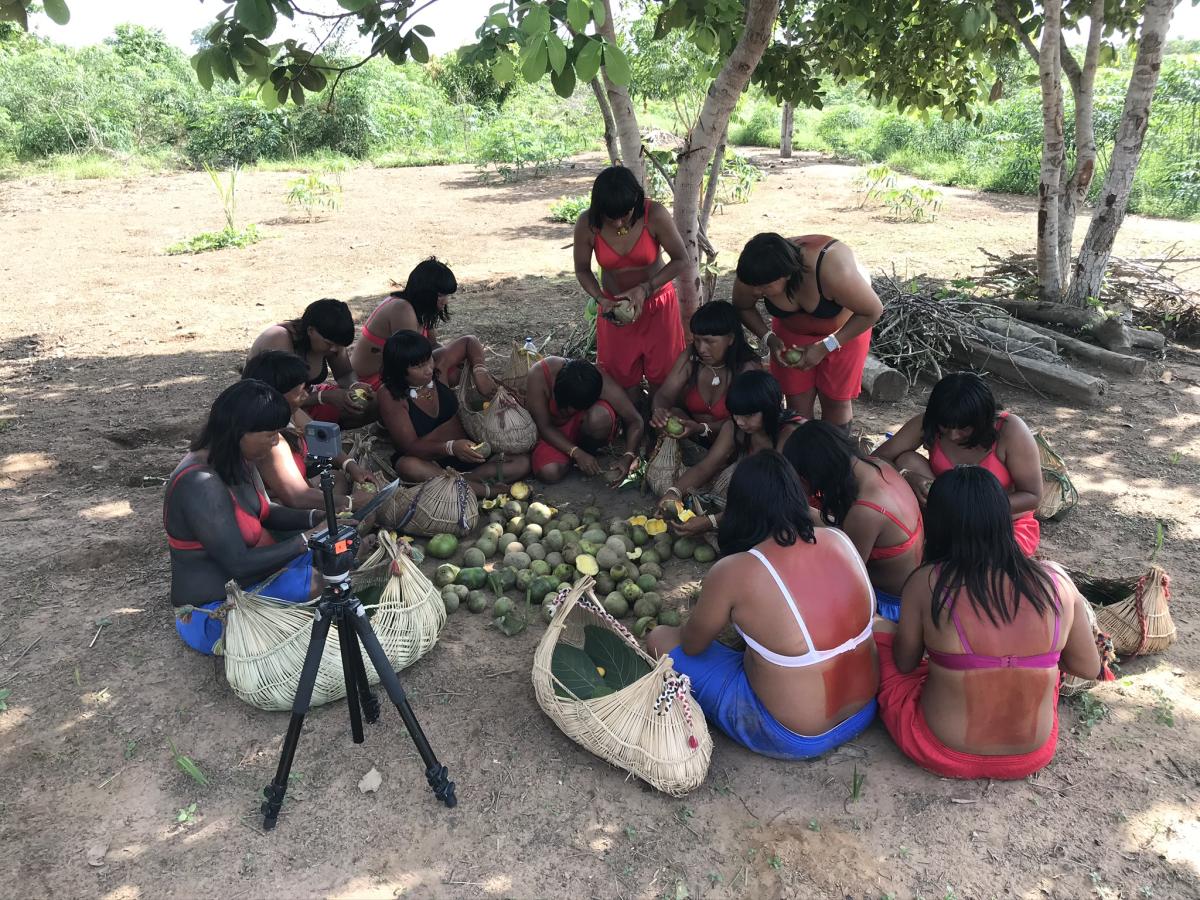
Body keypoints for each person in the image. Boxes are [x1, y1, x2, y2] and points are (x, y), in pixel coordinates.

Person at [874, 466, 1105, 780]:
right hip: (1031, 754)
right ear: (1003, 518)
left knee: (879, 636)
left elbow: (905, 663)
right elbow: (1089, 668)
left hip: (940, 749)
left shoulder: (927, 582)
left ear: (938, 523)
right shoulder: (1056, 582)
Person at [647, 452, 878, 760]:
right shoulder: (840, 539)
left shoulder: (736, 570)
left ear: (737, 508)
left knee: (660, 638)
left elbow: (692, 645)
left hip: (793, 735)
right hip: (864, 710)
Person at [163, 380, 326, 655]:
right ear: (239, 432)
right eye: (270, 433)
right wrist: (306, 540)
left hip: (252, 582)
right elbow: (238, 564)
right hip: (214, 612)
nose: (276, 441)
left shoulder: (240, 460)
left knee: (338, 552)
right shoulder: (200, 483)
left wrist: (317, 518)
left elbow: (265, 511)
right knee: (319, 583)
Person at [875, 372, 1042, 556]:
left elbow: (1032, 496)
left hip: (1000, 524)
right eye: (945, 426)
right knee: (906, 460)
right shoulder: (930, 422)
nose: (953, 435)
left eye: (964, 428)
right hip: (947, 519)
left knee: (978, 568)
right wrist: (906, 474)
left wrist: (968, 509)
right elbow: (878, 459)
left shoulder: (1010, 429)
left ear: (984, 420)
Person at [732, 232, 882, 427]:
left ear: (786, 274)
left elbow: (872, 311)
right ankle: (799, 452)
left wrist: (827, 345)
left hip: (845, 333)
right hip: (790, 334)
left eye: (764, 288)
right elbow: (743, 306)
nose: (756, 292)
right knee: (796, 401)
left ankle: (834, 452)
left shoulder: (831, 267)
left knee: (836, 401)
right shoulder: (755, 273)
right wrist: (769, 338)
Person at [783, 421, 923, 623]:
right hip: (905, 589)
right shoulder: (877, 465)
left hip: (887, 606)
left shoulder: (866, 511)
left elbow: (844, 576)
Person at [573, 165, 689, 402]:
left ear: (636, 201)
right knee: (621, 378)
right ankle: (633, 425)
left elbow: (681, 260)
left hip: (657, 305)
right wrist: (601, 298)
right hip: (615, 309)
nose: (618, 223)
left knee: (663, 378)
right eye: (610, 217)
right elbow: (582, 269)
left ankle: (658, 426)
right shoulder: (587, 224)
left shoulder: (654, 215)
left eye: (624, 215)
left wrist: (646, 288)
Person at [378, 330, 528, 497]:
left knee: (522, 463)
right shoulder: (390, 395)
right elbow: (409, 446)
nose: (428, 369)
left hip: (471, 455)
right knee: (408, 466)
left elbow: (469, 341)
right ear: (399, 370)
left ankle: (463, 482)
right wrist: (450, 448)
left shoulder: (438, 371)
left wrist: (480, 371)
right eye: (418, 366)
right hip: (431, 462)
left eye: (428, 360)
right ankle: (487, 491)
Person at [660, 370, 802, 536]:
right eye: (736, 414)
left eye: (749, 415)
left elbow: (773, 497)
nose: (741, 421)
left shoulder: (789, 436)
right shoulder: (735, 428)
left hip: (784, 504)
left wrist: (711, 522)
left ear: (770, 408)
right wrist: (673, 492)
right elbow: (705, 467)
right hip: (752, 501)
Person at [241, 350, 381, 514]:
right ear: (276, 394)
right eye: (300, 391)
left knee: (337, 477)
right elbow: (296, 496)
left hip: (300, 487)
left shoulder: (291, 413)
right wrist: (351, 502)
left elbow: (321, 437)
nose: (306, 396)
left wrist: (351, 466)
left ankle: (332, 514)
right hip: (279, 504)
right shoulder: (271, 440)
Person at [650, 300, 760, 443]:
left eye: (709, 341)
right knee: (672, 415)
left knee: (734, 432)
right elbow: (664, 394)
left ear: (731, 339)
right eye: (697, 340)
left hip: (731, 442)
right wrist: (659, 411)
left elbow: (745, 422)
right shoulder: (691, 356)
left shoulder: (748, 369)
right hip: (694, 435)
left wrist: (701, 428)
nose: (701, 348)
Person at [525, 356, 644, 484]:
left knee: (600, 417)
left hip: (582, 425)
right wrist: (576, 453)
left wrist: (628, 456)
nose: (565, 412)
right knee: (549, 472)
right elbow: (544, 427)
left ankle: (586, 452)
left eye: (571, 409)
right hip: (552, 431)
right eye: (563, 408)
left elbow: (635, 420)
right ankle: (576, 458)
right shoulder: (539, 375)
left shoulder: (596, 379)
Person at [247, 297, 367, 425]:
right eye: (329, 343)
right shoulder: (280, 338)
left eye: (338, 345)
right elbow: (277, 398)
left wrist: (354, 386)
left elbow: (344, 374)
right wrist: (324, 397)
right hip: (268, 408)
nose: (334, 350)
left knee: (372, 403)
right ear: (311, 331)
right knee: (311, 436)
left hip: (303, 403)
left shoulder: (331, 342)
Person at [351, 257, 457, 390]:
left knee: (454, 367)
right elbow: (410, 362)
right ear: (425, 292)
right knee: (448, 366)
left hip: (400, 372)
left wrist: (452, 358)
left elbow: (433, 345)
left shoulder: (421, 310)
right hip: (372, 382)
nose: (446, 301)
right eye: (441, 295)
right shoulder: (402, 309)